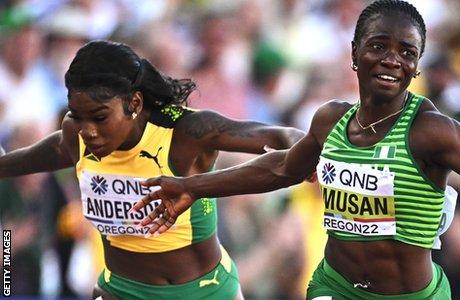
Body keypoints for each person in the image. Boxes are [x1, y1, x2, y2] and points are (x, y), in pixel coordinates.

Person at [132, 1, 460, 299]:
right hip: (335, 287)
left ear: (417, 65)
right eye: (379, 46)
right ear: (354, 53)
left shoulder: (434, 131)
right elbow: (281, 168)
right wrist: (192, 186)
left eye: (407, 52)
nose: (392, 60)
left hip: (410, 296)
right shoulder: (330, 120)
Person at [0, 40, 305, 299]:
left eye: (100, 117)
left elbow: (284, 137)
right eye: (77, 116)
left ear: (134, 103)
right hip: (121, 290)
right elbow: (55, 150)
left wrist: (306, 156)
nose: (88, 131)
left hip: (203, 292)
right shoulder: (77, 134)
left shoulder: (185, 132)